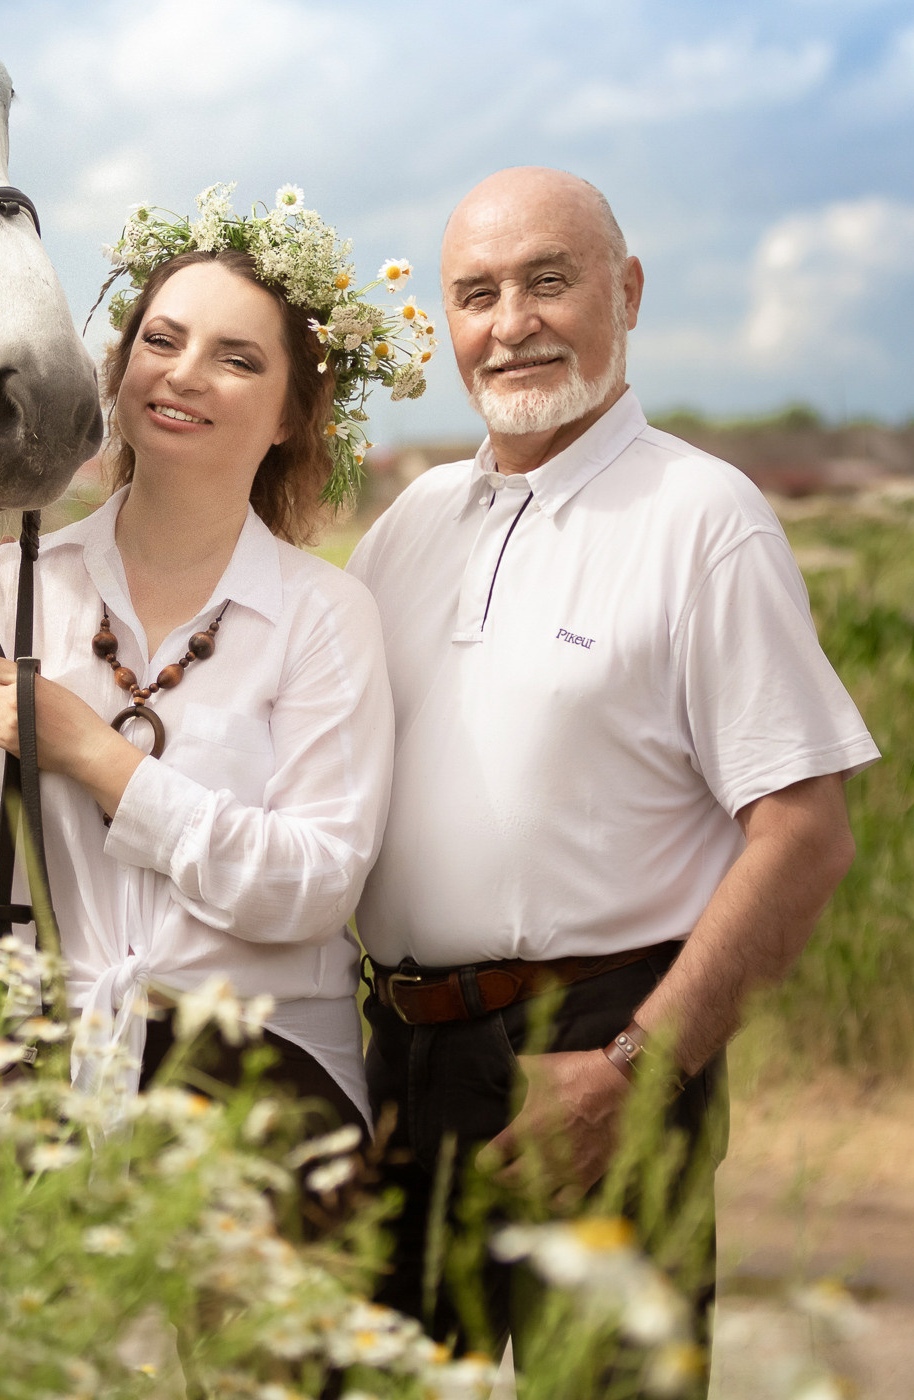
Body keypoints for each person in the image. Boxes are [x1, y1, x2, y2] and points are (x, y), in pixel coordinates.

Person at [348, 167, 878, 1360]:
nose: (513, 322)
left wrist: (636, 1070)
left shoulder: (703, 516)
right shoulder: (408, 527)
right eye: (477, 294)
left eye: (550, 280)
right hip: (402, 1062)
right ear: (445, 327)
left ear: (626, 291)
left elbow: (805, 829)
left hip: (597, 1050)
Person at [0, 189, 433, 1133]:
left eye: (236, 358)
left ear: (290, 413)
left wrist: (101, 760)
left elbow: (315, 884)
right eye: (162, 342)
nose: (185, 375)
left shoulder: (323, 617)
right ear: (118, 370)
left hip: (257, 1087)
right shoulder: (13, 590)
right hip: (35, 1085)